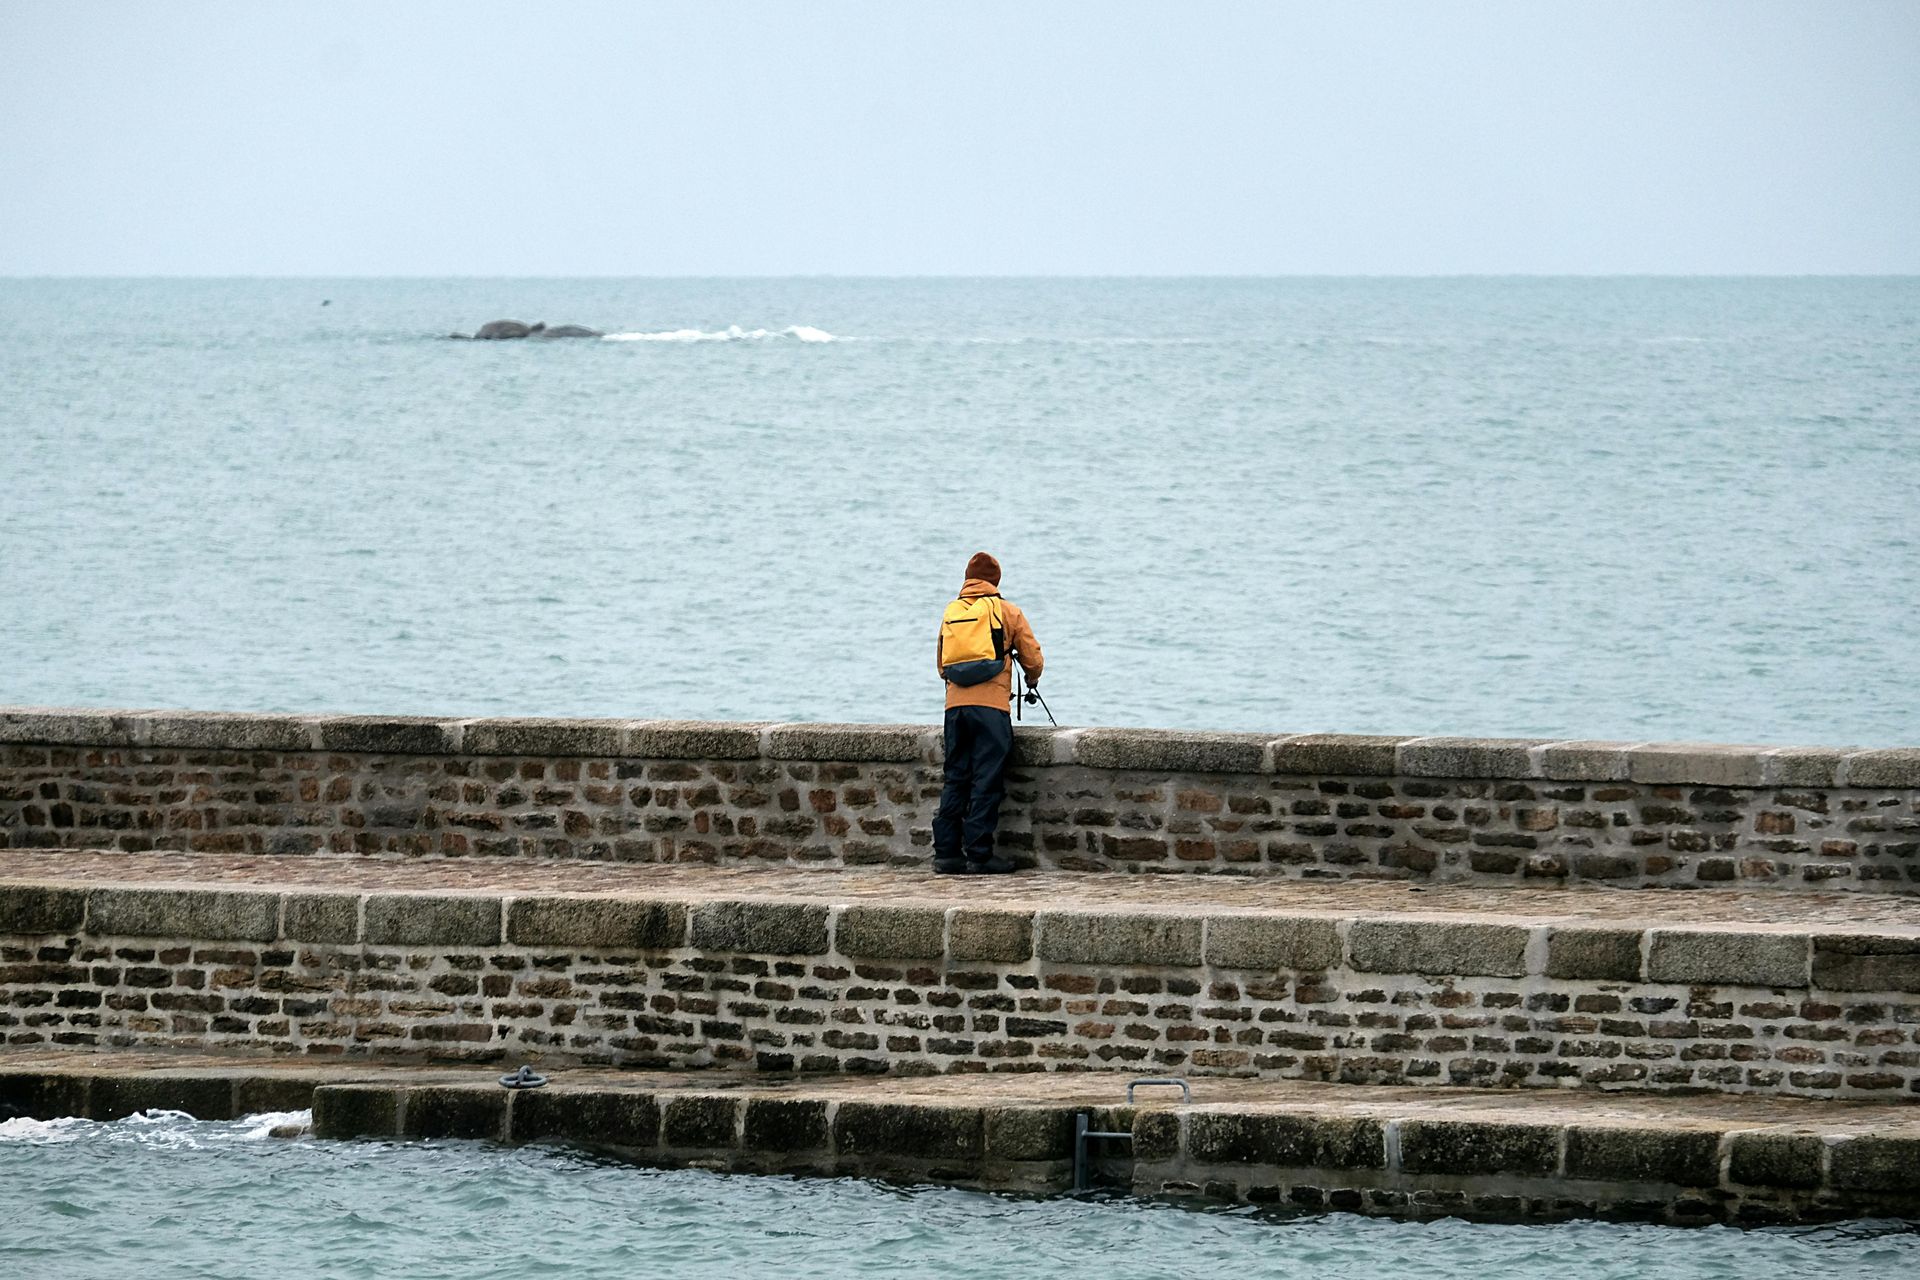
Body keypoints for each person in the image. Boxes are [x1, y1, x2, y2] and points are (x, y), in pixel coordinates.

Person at [932, 551, 1043, 874]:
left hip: (955, 709)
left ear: (966, 579)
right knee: (986, 779)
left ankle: (947, 854)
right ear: (996, 581)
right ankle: (980, 854)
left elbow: (942, 666)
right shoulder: (1007, 611)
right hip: (991, 710)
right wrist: (1031, 679)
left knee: (955, 778)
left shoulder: (951, 613)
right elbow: (1032, 657)